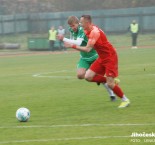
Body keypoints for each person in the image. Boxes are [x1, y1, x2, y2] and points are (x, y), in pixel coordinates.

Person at [64, 15, 130, 108]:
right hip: (102, 58)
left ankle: (125, 100)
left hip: (110, 57)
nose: (80, 24)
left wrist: (72, 46)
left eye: (81, 23)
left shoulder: (94, 32)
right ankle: (111, 81)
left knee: (110, 84)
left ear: (87, 23)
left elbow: (87, 49)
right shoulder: (87, 30)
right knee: (87, 76)